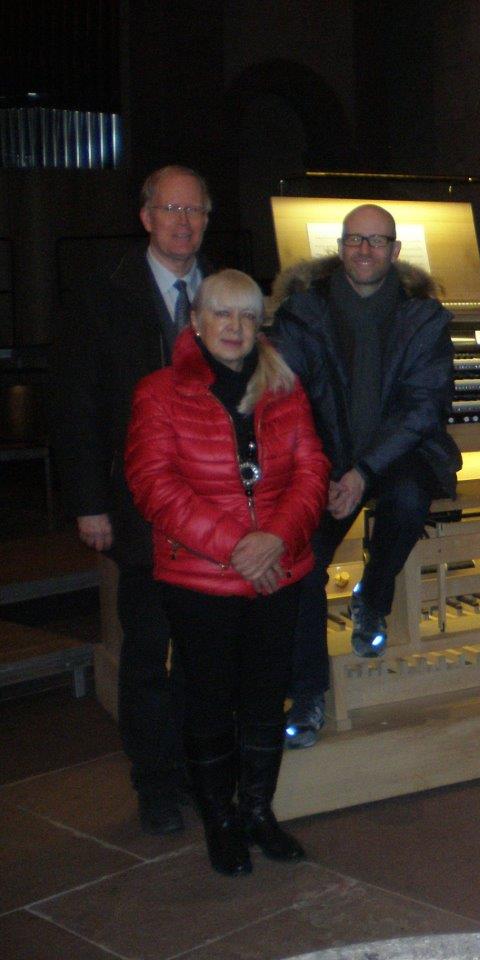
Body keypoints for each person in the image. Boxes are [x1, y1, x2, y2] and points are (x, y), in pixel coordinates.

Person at [125, 270, 329, 875]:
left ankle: (259, 812)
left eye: (246, 315)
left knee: (268, 698)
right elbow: (154, 486)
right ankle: (220, 820)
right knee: (210, 702)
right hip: (201, 578)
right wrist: (243, 547)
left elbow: (312, 472)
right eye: (221, 314)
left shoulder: (285, 388)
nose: (235, 327)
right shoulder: (159, 393)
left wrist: (277, 541)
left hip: (278, 571)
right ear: (196, 320)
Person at [51, 165, 213, 836]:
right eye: (170, 209)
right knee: (148, 649)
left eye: (195, 210)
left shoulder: (227, 293)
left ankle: (202, 771)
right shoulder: (101, 294)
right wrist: (88, 502)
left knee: (206, 655)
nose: (183, 221)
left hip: (214, 512)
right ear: (145, 217)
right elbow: (76, 403)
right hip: (139, 509)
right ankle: (156, 784)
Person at [270, 204, 461, 748]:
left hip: (397, 453)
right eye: (355, 239)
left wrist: (363, 471)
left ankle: (372, 598)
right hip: (322, 458)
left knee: (406, 501)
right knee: (303, 560)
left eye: (377, 242)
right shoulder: (303, 313)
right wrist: (320, 469)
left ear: (396, 252)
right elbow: (287, 398)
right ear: (340, 245)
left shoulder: (422, 316)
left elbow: (425, 407)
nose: (364, 250)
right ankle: (307, 694)